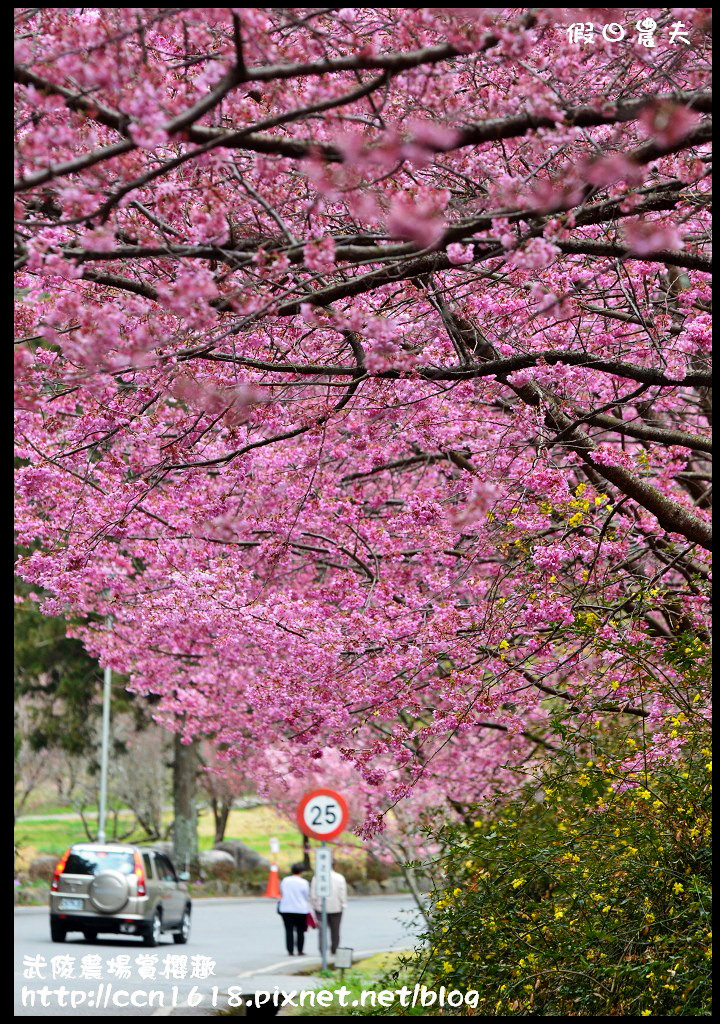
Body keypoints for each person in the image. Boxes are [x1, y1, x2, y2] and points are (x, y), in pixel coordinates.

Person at [310, 867, 348, 955]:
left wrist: (314, 904)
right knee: (335, 930)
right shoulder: (339, 877)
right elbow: (342, 893)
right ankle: (334, 949)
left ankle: (322, 950)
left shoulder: (317, 877)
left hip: (320, 908)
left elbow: (313, 894)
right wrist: (343, 904)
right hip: (336, 907)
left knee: (322, 930)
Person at [278, 863, 311, 956]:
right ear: (301, 872)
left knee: (289, 930)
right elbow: (306, 895)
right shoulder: (303, 882)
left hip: (286, 908)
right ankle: (300, 950)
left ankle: (290, 950)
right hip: (300, 909)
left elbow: (282, 892)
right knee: (300, 931)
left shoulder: (285, 880)